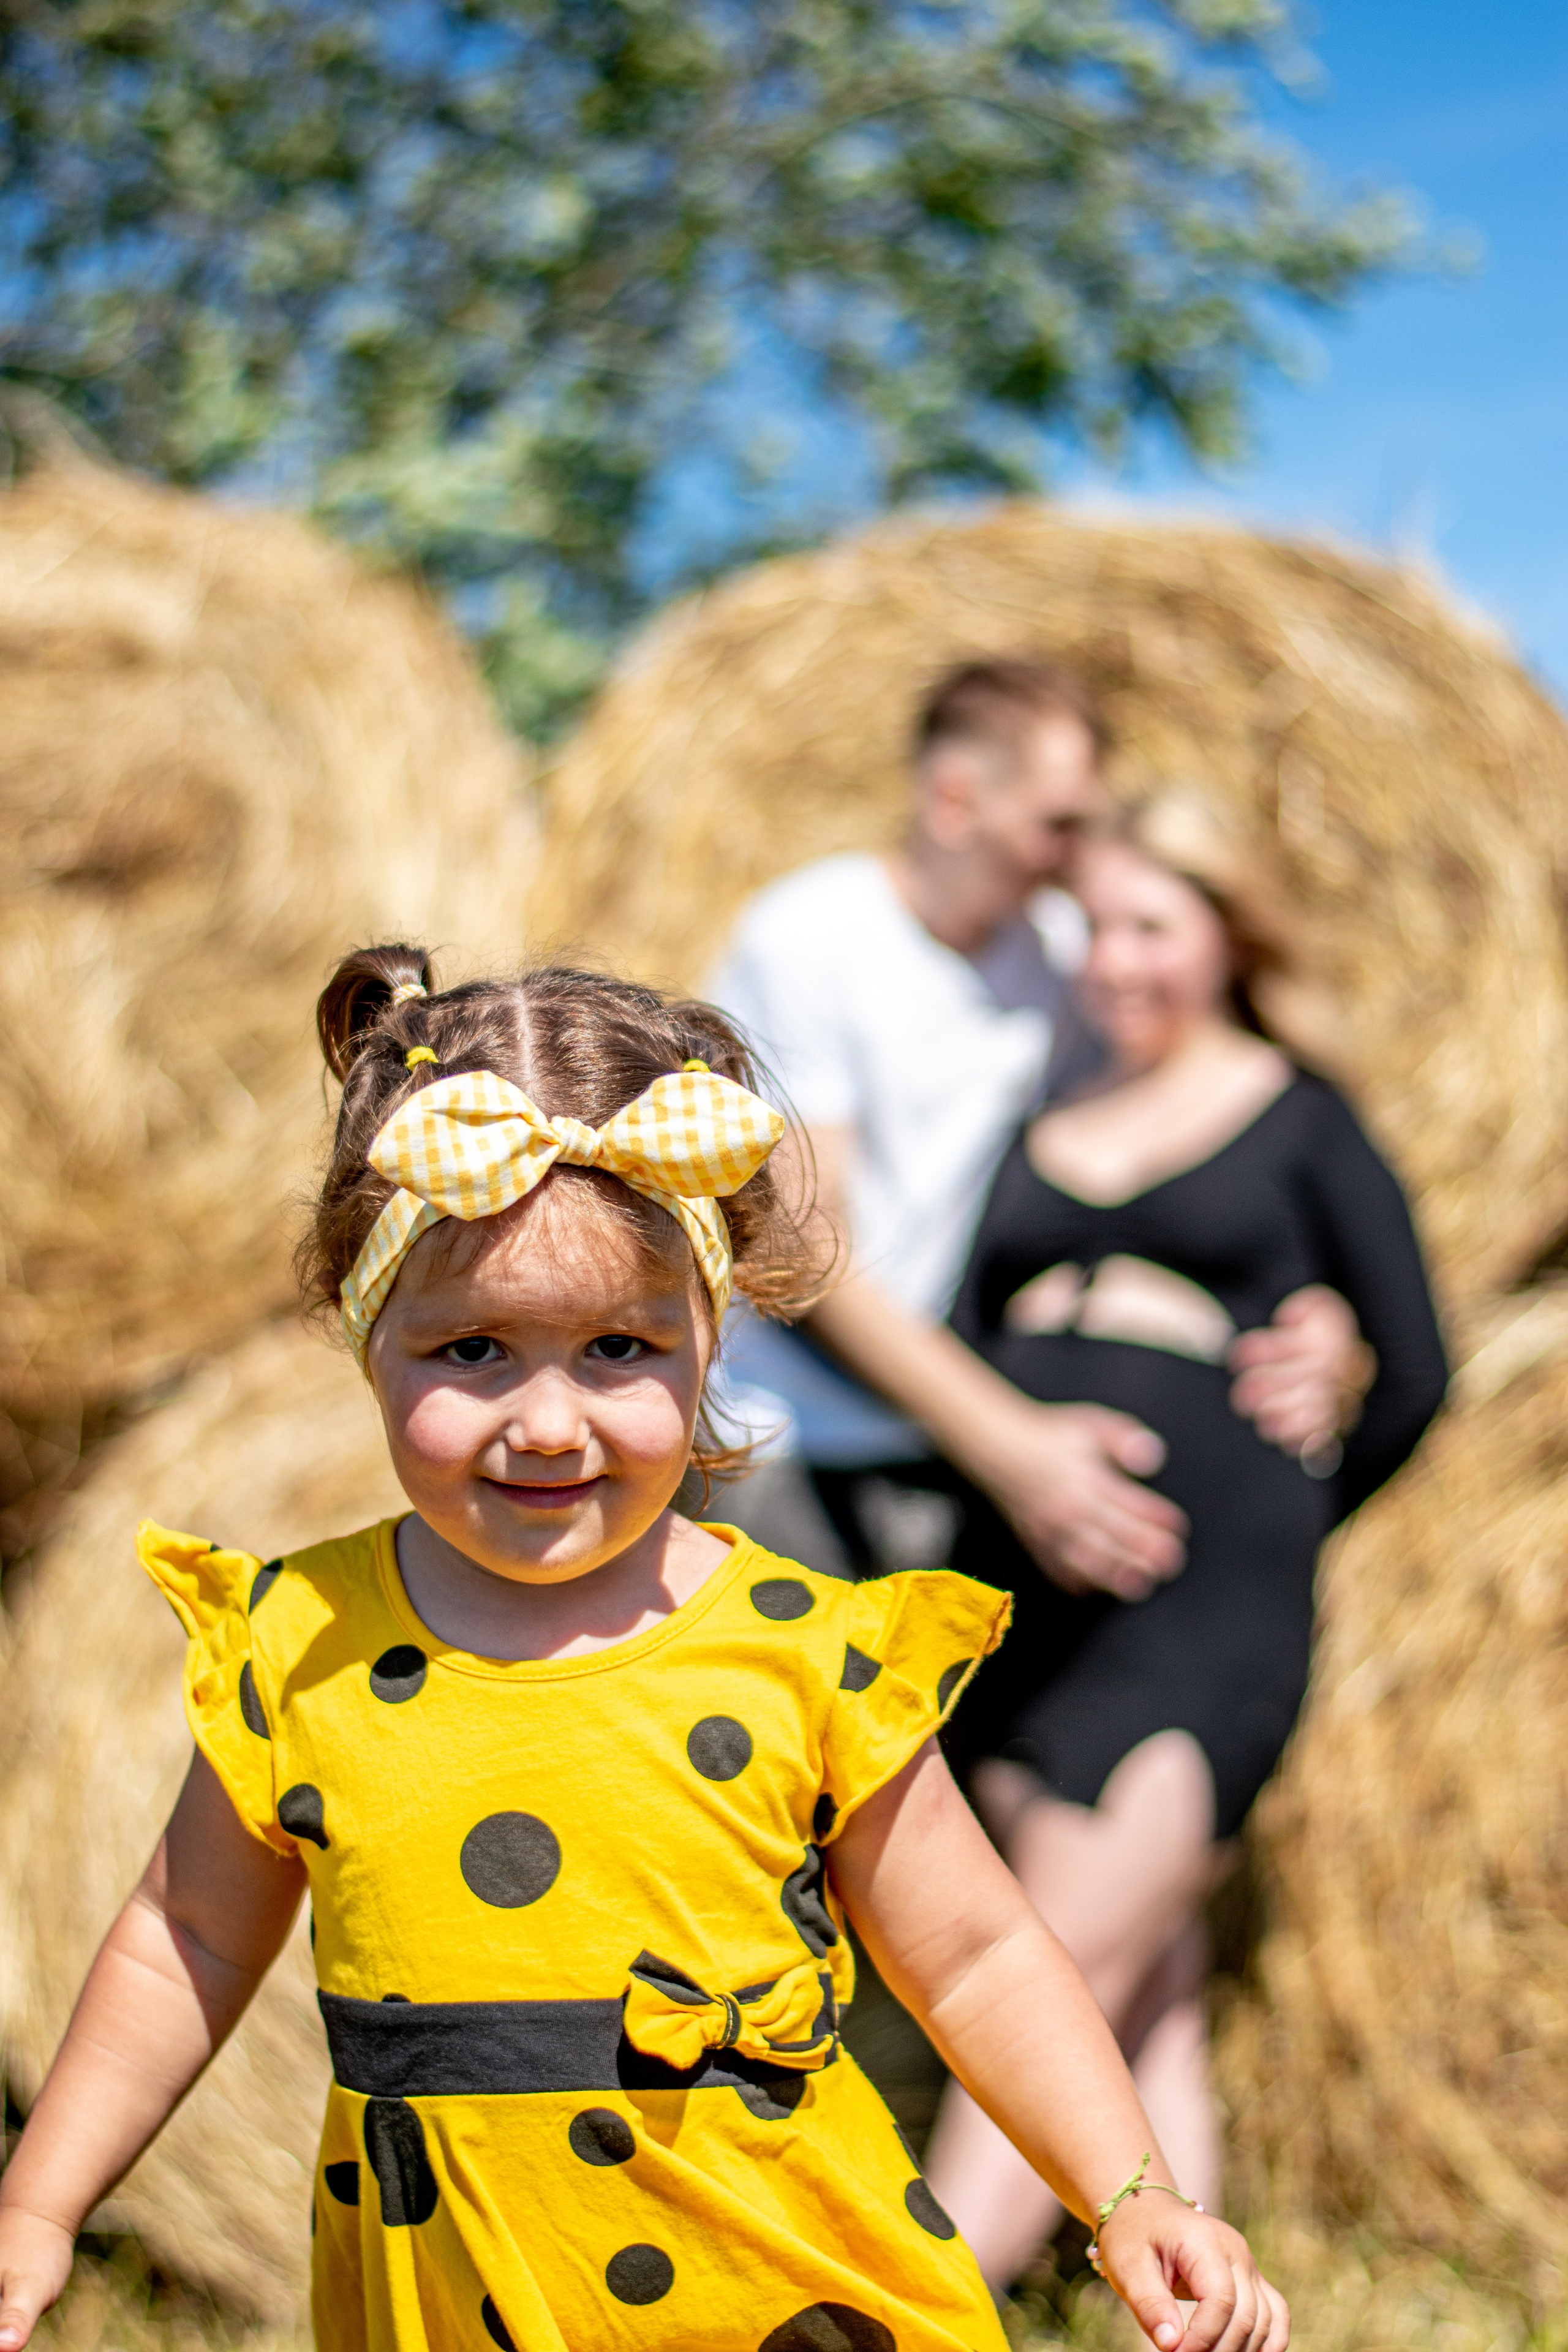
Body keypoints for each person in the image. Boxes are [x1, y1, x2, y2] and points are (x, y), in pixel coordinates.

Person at [0, 949, 1291, 2352]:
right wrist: (40, 2204)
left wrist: (1126, 2192)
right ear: (368, 1335)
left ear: (707, 1335)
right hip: (446, 2304)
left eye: (618, 1348)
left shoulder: (802, 1655)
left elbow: (977, 1957)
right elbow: (184, 1939)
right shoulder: (299, 1648)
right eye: (472, 1352)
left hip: (777, 2295)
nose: (549, 1423)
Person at [916, 791, 1449, 2291]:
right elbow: (958, 1336)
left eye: (1149, 926)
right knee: (1139, 2009)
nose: (1112, 962)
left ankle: (906, 2317)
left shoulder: (1297, 1113)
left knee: (1039, 1996)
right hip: (1026, 1610)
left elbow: (1414, 1370)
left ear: (1226, 935)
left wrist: (1263, 1503)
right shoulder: (1034, 1113)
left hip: (1195, 1610)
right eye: (1090, 929)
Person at [712, 657, 1365, 1603]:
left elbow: (1171, 1144)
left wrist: (1319, 1321)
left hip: (951, 1459)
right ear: (955, 799)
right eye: (1058, 822)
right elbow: (803, 1246)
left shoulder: (1064, 957)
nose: (1076, 854)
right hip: (794, 1447)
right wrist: (1011, 1447)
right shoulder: (810, 936)